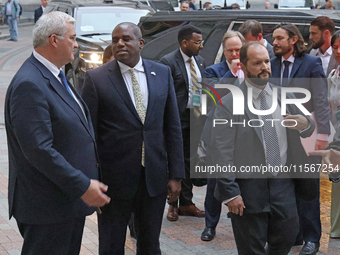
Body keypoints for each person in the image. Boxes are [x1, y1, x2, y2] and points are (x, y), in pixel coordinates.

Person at [4, 11, 110, 254]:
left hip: (66, 202)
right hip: (47, 209)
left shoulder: (56, 74)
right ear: (54, 40)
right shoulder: (29, 84)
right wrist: (84, 185)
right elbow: (39, 150)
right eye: (72, 38)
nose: (77, 44)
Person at [82, 22, 185, 254]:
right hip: (113, 182)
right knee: (111, 244)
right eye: (115, 39)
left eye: (126, 38)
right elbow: (89, 135)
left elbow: (172, 127)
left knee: (150, 244)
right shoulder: (96, 79)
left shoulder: (162, 73)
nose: (119, 43)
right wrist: (91, 179)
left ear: (140, 43)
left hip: (154, 179)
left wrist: (176, 174)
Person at [213, 41, 316, 255]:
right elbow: (221, 151)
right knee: (251, 247)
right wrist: (230, 192)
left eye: (267, 61)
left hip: (283, 183)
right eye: (257, 63)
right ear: (243, 65)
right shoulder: (228, 104)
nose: (265, 67)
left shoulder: (284, 95)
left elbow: (307, 124)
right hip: (248, 188)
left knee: (288, 235)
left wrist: (306, 124)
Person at [271, 22, 330, 255]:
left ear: (293, 40)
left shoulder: (312, 64)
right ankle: (292, 234)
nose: (273, 42)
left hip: (306, 138)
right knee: (284, 190)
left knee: (308, 191)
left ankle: (312, 239)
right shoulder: (271, 64)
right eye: (273, 39)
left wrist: (322, 136)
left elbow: (321, 101)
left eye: (278, 38)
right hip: (277, 139)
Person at [200, 30, 245, 242]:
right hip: (219, 133)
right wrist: (232, 74)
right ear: (223, 51)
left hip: (245, 133)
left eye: (238, 50)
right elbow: (211, 98)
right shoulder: (213, 70)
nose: (235, 54)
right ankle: (210, 225)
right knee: (214, 182)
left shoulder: (252, 66)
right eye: (230, 51)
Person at [160, 25, 206, 222]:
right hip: (176, 120)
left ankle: (187, 203)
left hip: (195, 118)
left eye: (201, 42)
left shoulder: (200, 62)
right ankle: (172, 205)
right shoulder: (168, 62)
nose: (201, 46)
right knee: (175, 162)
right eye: (197, 42)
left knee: (190, 161)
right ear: (184, 43)